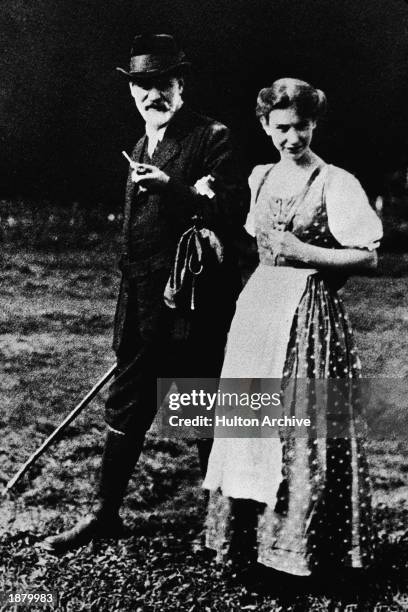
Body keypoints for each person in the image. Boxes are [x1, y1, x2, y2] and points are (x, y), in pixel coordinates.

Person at [40, 34, 247, 553]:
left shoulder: (211, 137)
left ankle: (220, 528)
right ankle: (105, 515)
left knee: (201, 406)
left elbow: (229, 214)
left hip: (193, 306)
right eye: (142, 86)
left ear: (181, 85)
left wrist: (174, 188)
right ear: (132, 92)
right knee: (127, 405)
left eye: (163, 84)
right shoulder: (139, 145)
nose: (153, 95)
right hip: (139, 305)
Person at [203, 78, 382, 578]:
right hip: (258, 308)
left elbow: (367, 258)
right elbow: (250, 244)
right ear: (265, 126)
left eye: (301, 126)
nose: (292, 138)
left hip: (309, 317)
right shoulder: (259, 178)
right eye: (281, 128)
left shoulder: (336, 182)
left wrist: (306, 254)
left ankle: (302, 551)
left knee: (300, 425)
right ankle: (245, 546)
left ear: (313, 124)